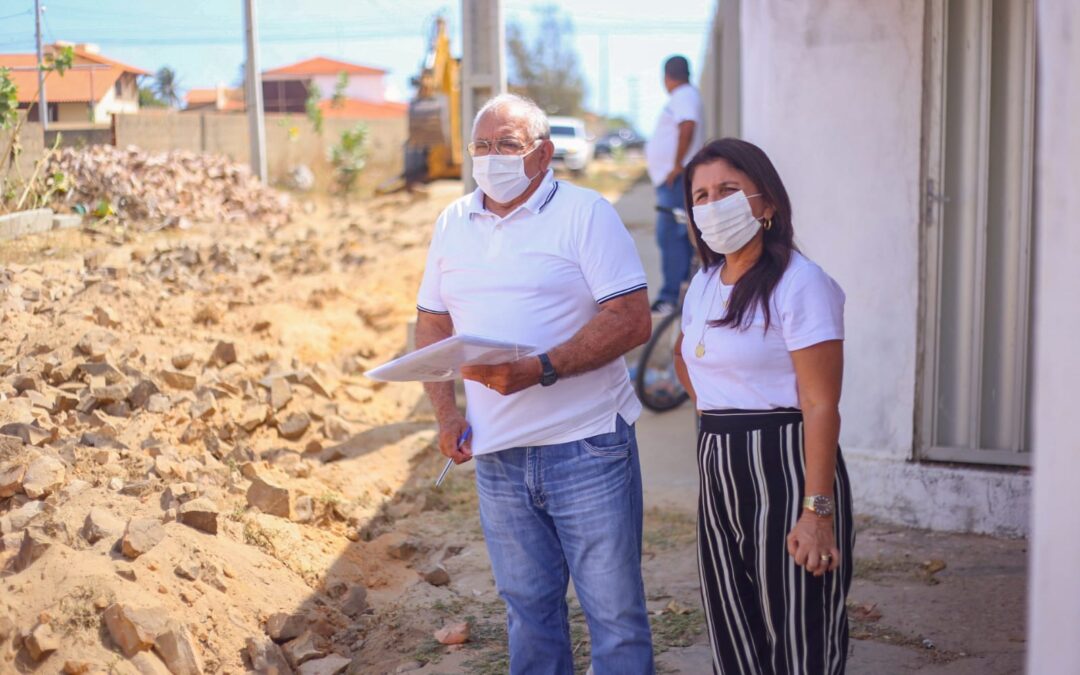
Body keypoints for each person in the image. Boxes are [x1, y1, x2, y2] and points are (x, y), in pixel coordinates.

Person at [414, 93, 655, 674]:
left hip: (588, 446)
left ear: (543, 154)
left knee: (614, 615)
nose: (492, 157)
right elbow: (433, 323)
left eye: (508, 145)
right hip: (499, 459)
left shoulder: (586, 213)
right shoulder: (452, 221)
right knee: (527, 610)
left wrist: (542, 368)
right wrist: (447, 416)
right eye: (482, 146)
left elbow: (631, 318)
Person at [673, 138, 855, 673]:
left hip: (786, 464)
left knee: (800, 631)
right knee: (733, 626)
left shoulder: (802, 284)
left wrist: (816, 513)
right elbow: (689, 363)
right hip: (719, 466)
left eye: (728, 190)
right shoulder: (703, 284)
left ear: (767, 203)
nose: (713, 205)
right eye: (701, 196)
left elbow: (822, 404)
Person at [644, 55, 705, 315]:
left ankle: (671, 299)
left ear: (667, 77)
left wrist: (677, 164)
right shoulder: (685, 95)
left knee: (672, 236)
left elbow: (688, 125)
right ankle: (678, 297)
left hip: (677, 179)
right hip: (673, 179)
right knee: (676, 237)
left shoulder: (683, 95)